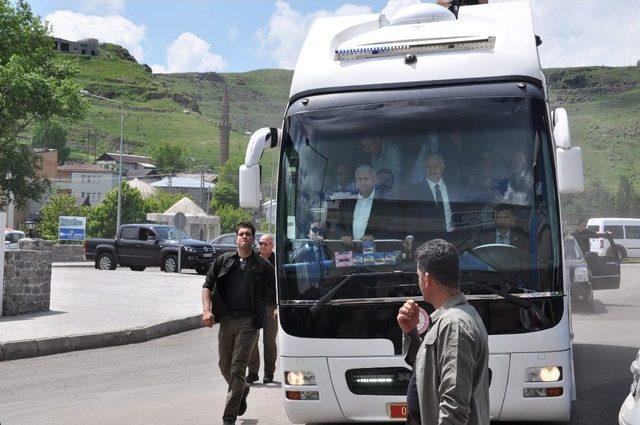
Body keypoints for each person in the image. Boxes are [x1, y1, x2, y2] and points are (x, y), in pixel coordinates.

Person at [397, 239, 490, 425]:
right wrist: (411, 332)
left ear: (427, 279)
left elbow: (454, 406)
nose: (419, 282)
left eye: (418, 275)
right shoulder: (449, 318)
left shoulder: (454, 324)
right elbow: (430, 370)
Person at [201, 221, 275, 425]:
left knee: (237, 368)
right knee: (224, 365)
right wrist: (206, 310)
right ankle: (243, 389)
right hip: (226, 320)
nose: (244, 237)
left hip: (249, 322)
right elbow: (207, 286)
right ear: (236, 238)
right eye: (241, 234)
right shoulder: (223, 261)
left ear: (253, 239)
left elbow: (274, 291)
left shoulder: (263, 266)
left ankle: (229, 416)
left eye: (248, 234)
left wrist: (276, 308)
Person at [333, 164, 394, 243]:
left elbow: (390, 228)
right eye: (360, 179)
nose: (363, 182)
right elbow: (339, 226)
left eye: (366, 179)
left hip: (375, 252)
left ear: (374, 180)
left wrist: (374, 238)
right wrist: (344, 236)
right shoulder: (347, 201)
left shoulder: (384, 202)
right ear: (356, 181)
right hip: (350, 250)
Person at [247, 234, 278, 385]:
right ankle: (252, 372)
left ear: (272, 245)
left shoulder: (278, 261)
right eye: (261, 243)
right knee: (252, 339)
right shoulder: (252, 260)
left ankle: (269, 373)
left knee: (269, 341)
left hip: (272, 306)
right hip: (254, 306)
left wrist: (278, 307)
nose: (263, 246)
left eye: (266, 244)